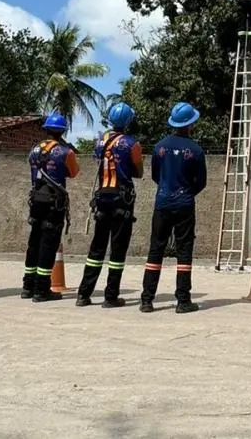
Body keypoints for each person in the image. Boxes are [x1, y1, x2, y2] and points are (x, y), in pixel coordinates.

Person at [140, 102, 208, 314]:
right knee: (184, 251)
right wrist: (186, 192)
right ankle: (183, 300)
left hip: (162, 203)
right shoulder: (195, 150)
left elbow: (155, 175)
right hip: (184, 205)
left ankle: (147, 299)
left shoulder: (159, 147)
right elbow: (201, 181)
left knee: (156, 249)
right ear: (191, 124)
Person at [77, 102, 143, 308]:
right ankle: (111, 296)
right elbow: (138, 172)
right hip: (121, 199)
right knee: (117, 249)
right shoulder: (132, 144)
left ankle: (83, 294)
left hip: (102, 197)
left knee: (97, 247)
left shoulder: (100, 141)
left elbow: (100, 162)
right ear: (128, 121)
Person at [22, 113, 80, 303]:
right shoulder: (65, 152)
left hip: (36, 200)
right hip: (54, 204)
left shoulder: (34, 150)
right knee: (49, 244)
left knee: (34, 242)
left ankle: (27, 286)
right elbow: (73, 173)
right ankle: (41, 290)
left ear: (46, 129)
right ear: (63, 131)